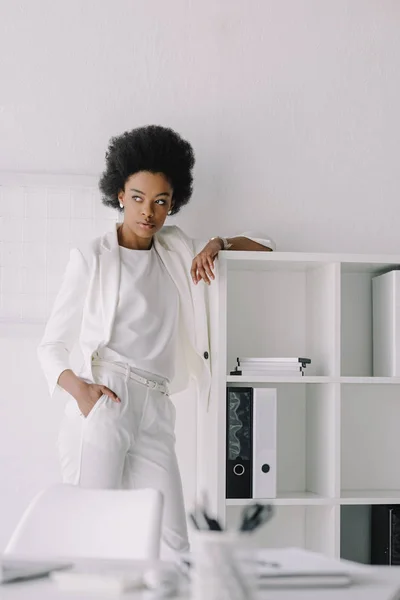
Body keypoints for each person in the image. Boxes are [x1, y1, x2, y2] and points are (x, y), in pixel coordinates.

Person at [37, 124, 275, 558]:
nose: (149, 212)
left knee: (175, 542)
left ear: (173, 203)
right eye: (138, 198)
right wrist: (82, 393)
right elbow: (50, 345)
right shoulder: (90, 257)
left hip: (157, 407)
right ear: (119, 195)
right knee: (95, 529)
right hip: (108, 399)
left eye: (161, 202)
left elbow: (268, 248)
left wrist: (218, 244)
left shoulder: (178, 249)